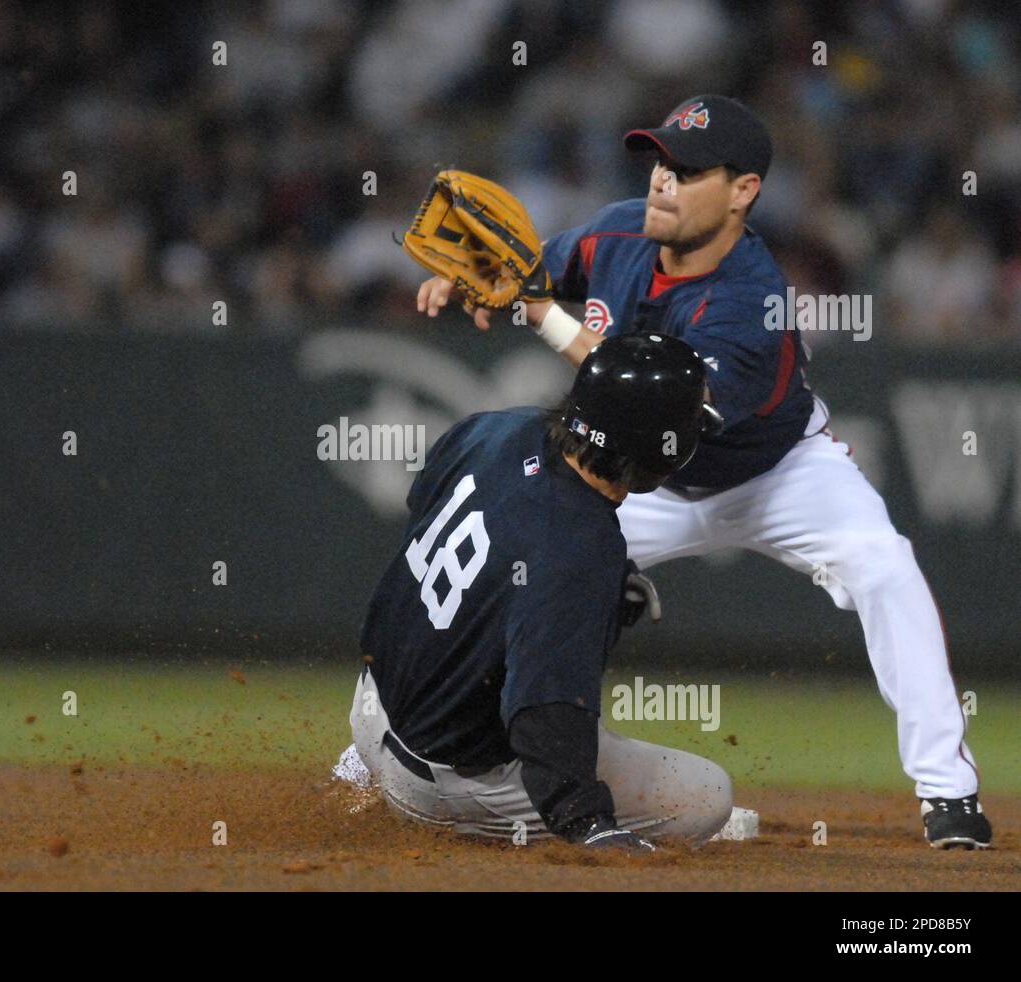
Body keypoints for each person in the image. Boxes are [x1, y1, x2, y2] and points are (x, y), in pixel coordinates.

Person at [413, 95, 991, 849]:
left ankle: (950, 793)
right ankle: (413, 741)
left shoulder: (753, 300)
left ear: (743, 191)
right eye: (659, 162)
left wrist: (540, 312)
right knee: (502, 561)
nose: (662, 180)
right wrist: (473, 280)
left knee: (886, 568)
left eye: (687, 171)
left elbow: (657, 411)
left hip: (779, 474)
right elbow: (529, 267)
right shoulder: (615, 230)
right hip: (641, 483)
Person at [348, 332, 731, 851]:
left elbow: (431, 512)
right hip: (442, 779)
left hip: (370, 708)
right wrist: (586, 822)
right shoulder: (580, 543)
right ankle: (457, 817)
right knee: (706, 796)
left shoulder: (497, 429)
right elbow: (544, 711)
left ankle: (358, 769)